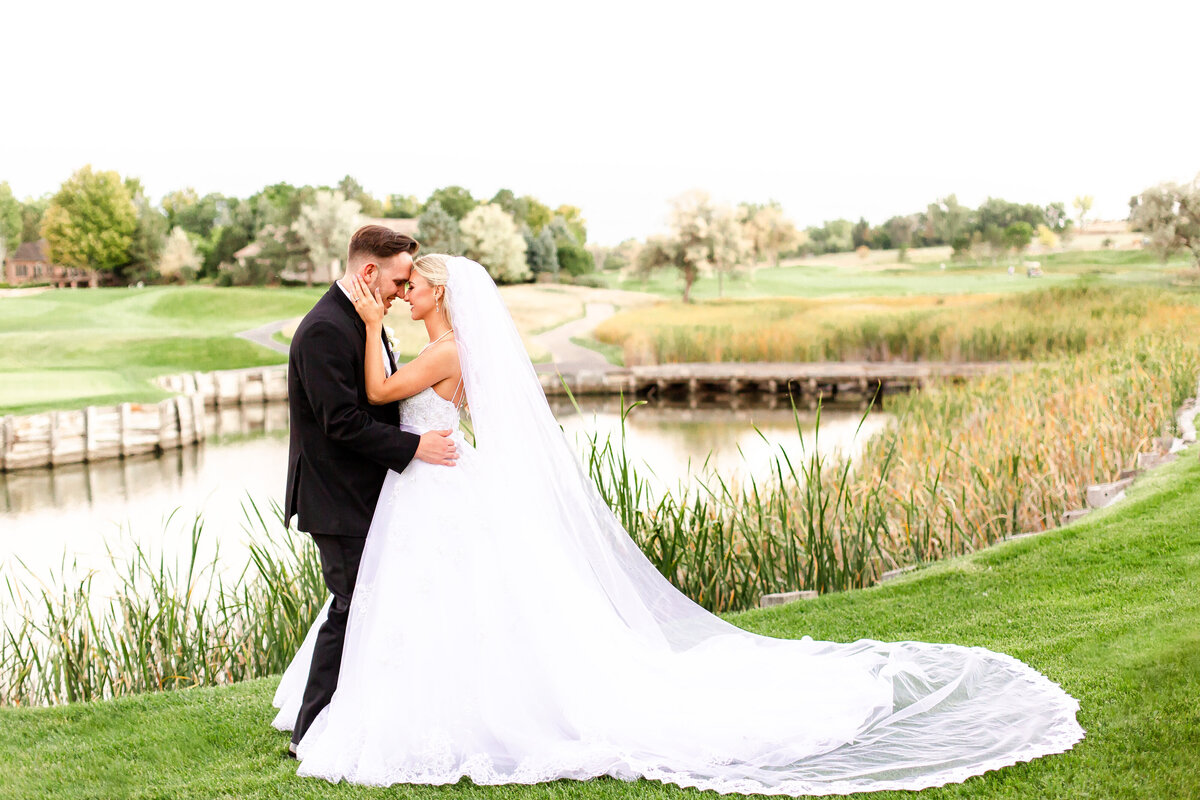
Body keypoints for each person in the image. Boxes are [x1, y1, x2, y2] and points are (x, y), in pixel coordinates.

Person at [274, 255, 1084, 794]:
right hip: (436, 480)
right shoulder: (444, 341)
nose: (403, 293)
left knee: (443, 604)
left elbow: (381, 398)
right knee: (446, 606)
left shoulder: (443, 347)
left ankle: (439, 709)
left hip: (438, 478)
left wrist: (374, 323)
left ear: (439, 294)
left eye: (413, 286)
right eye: (399, 285)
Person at [282, 227, 458, 757]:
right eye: (400, 279)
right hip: (337, 498)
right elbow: (340, 422)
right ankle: (310, 731)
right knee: (351, 606)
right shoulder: (324, 330)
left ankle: (366, 715)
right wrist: (413, 447)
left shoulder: (358, 319)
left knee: (371, 606)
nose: (402, 291)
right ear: (368, 273)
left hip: (372, 492)